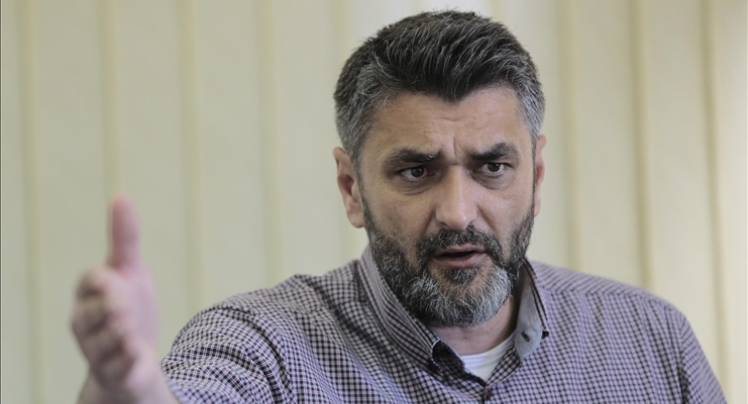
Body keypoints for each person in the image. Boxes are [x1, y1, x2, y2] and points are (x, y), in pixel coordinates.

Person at [71, 11, 724, 404]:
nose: (459, 213)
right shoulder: (266, 346)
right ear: (351, 188)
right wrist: (128, 389)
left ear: (538, 173)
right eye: (416, 171)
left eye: (492, 168)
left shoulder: (650, 341)